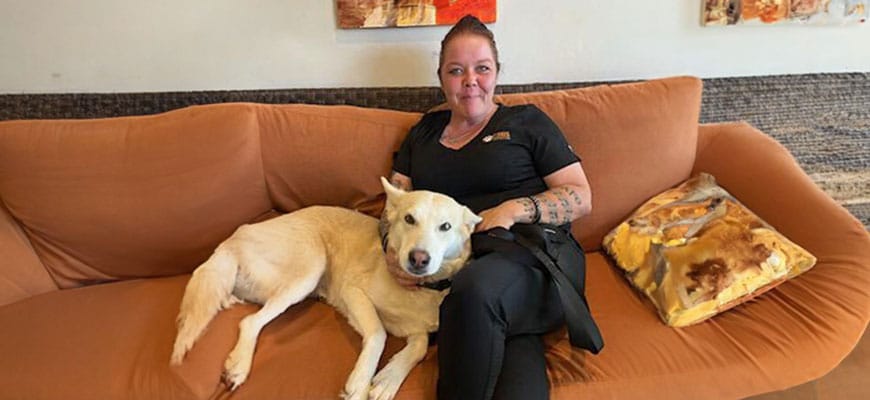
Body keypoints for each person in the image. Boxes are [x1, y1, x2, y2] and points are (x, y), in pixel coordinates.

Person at [383, 14, 597, 400]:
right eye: (456, 70)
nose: (470, 81)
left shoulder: (527, 122)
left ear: (497, 72)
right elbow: (393, 206)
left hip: (535, 260)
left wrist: (513, 209)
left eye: (482, 68)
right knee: (514, 377)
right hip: (468, 275)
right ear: (441, 77)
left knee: (474, 291)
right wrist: (391, 251)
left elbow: (580, 196)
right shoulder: (423, 133)